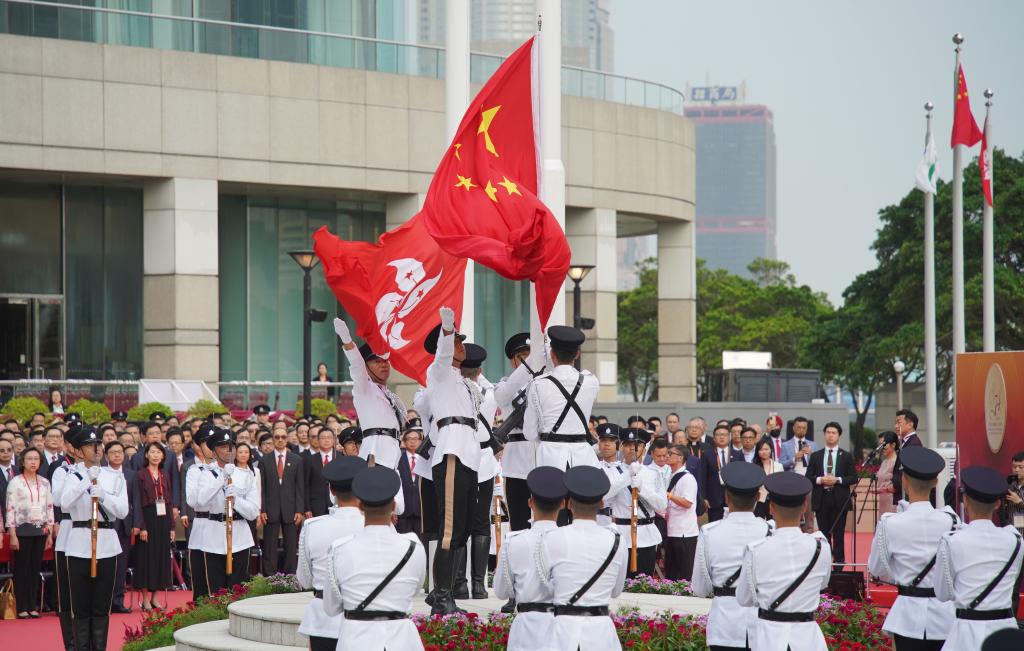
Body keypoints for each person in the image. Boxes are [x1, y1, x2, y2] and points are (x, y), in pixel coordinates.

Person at [421, 307, 487, 615]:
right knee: (449, 530)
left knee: (460, 531)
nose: (462, 345)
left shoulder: (464, 383)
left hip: (469, 458)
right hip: (451, 455)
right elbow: (444, 355)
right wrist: (447, 330)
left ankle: (442, 593)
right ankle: (443, 597)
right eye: (456, 341)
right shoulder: (439, 373)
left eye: (459, 340)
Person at [322, 466, 427, 651]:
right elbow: (415, 589)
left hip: (356, 639)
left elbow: (331, 608)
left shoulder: (340, 549)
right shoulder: (414, 546)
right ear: (394, 506)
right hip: (402, 640)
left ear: (360, 506)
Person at [867, 447, 960, 651]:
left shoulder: (890, 523)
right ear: (935, 482)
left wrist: (897, 572)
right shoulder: (951, 520)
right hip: (945, 615)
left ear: (905, 481)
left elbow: (876, 569)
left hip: (907, 615)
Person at [736, 473, 832, 651]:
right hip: (808, 640)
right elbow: (822, 584)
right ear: (804, 507)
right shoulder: (821, 547)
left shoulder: (756, 549)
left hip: (769, 639)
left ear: (771, 508)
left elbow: (744, 599)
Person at [935, 465, 1023, 650]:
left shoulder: (952, 541)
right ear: (998, 504)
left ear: (965, 501)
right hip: (1005, 633)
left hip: (966, 633)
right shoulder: (1016, 540)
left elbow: (942, 594)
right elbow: (1011, 580)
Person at [541, 466, 628, 651]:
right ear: (602, 503)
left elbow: (545, 586)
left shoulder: (551, 538)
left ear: (569, 503)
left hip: (563, 633)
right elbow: (616, 591)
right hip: (601, 635)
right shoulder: (617, 540)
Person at [60, 426, 129, 651]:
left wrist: (103, 495)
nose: (96, 449)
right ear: (79, 451)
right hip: (79, 542)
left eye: (98, 445)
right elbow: (65, 503)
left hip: (107, 542)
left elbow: (122, 511)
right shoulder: (71, 475)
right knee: (80, 606)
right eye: (90, 446)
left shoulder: (115, 476)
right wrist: (85, 482)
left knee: (101, 606)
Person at [692, 462, 772, 651]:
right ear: (759, 497)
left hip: (724, 627)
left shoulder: (710, 532)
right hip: (763, 626)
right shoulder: (770, 531)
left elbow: (700, 588)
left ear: (726, 497)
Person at [297, 457, 367, 651]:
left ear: (332, 490)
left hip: (323, 619)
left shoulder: (313, 526)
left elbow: (305, 579)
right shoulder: (376, 526)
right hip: (365, 619)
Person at [493, 466, 564, 650]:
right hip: (563, 628)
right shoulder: (571, 541)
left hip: (525, 629)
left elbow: (501, 591)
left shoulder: (512, 542)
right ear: (563, 503)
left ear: (530, 503)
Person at [524, 325, 601, 473]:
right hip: (583, 457)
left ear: (552, 353)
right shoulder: (591, 382)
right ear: (577, 354)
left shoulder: (538, 384)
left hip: (549, 458)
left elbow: (530, 433)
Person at [333, 319, 407, 468]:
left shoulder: (389, 394)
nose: (383, 364)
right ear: (366, 367)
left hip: (393, 454)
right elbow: (356, 364)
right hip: (375, 455)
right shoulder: (364, 388)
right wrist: (347, 342)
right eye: (376, 361)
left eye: (385, 361)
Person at [493, 332, 545, 532]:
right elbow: (503, 397)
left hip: (542, 455)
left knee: (546, 520)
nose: (526, 361)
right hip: (516, 461)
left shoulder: (547, 383)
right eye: (521, 357)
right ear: (513, 362)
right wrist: (531, 365)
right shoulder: (504, 386)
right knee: (519, 522)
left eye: (529, 355)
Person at [197, 428, 259, 592]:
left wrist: (236, 500)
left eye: (230, 446)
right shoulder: (206, 474)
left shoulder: (246, 475)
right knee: (216, 590)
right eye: (223, 446)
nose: (228, 450)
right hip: (214, 536)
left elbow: (253, 512)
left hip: (240, 536)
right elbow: (201, 500)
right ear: (214, 451)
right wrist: (222, 480)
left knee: (238, 590)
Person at [605, 427, 665, 578]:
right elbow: (604, 497)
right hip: (621, 532)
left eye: (638, 444)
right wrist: (627, 476)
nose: (632, 448)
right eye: (628, 444)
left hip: (646, 533)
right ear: (621, 447)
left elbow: (662, 506)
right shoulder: (611, 471)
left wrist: (643, 489)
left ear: (644, 449)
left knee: (643, 584)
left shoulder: (653, 473)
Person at [5, 447, 53, 618]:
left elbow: (49, 508)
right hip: (21, 530)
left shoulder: (45, 482)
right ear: (22, 461)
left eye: (36, 459)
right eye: (29, 458)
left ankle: (33, 605)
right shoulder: (16, 482)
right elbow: (10, 509)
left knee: (34, 568)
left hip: (40, 529)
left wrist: (49, 533)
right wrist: (12, 534)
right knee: (22, 569)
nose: (33, 462)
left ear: (40, 462)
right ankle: (21, 606)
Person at [806, 422, 857, 567]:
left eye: (833, 432)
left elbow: (853, 477)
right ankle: (824, 561)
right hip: (821, 497)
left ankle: (839, 562)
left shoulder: (846, 456)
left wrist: (837, 480)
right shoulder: (816, 456)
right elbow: (808, 477)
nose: (830, 435)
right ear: (824, 435)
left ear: (839, 436)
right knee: (824, 532)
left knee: (839, 533)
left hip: (839, 498)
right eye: (828, 432)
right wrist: (820, 480)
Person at [132, 441, 176, 609]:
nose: (156, 455)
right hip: (148, 518)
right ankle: (144, 598)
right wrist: (142, 526)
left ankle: (155, 597)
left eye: (159, 452)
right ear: (146, 455)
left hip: (163, 518)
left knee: (161, 558)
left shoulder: (165, 474)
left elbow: (170, 501)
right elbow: (137, 502)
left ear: (163, 455)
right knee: (146, 558)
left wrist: (172, 526)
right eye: (153, 452)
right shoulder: (141, 475)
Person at [258, 424, 306, 575]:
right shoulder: (264, 460)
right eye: (277, 437)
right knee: (269, 546)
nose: (280, 440)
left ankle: (290, 577)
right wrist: (263, 509)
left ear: (287, 439)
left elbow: (300, 487)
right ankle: (269, 578)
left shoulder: (296, 460)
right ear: (273, 439)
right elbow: (262, 488)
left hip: (290, 509)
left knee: (291, 546)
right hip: (270, 509)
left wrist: (299, 510)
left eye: (283, 437)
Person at [185, 425, 214, 600]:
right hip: (202, 524)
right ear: (197, 447)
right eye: (205, 444)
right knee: (201, 578)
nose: (210, 448)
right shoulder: (194, 471)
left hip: (223, 526)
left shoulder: (229, 469)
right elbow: (193, 501)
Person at [106, 441, 134, 613]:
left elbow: (135, 501)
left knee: (121, 564)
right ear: (106, 455)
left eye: (120, 452)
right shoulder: (102, 474)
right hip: (107, 524)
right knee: (107, 563)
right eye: (113, 452)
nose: (117, 455)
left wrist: (137, 524)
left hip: (124, 525)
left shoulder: (130, 475)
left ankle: (118, 600)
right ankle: (106, 600)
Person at [663, 444, 699, 580]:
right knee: (671, 572)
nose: (667, 456)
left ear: (680, 458)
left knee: (684, 573)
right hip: (672, 530)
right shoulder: (670, 475)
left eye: (670, 453)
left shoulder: (687, 478)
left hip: (685, 533)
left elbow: (687, 502)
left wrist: (669, 495)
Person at [701, 424, 744, 522]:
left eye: (724, 434)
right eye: (718, 435)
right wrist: (704, 497)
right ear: (714, 438)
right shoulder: (707, 454)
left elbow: (742, 477)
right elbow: (703, 477)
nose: (721, 437)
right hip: (714, 499)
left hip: (734, 499)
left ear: (729, 437)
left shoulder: (738, 454)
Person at [395, 422, 423, 536]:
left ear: (421, 441)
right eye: (409, 439)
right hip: (403, 513)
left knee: (422, 543)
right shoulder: (397, 458)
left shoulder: (425, 459)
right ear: (404, 441)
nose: (412, 441)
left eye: (416, 439)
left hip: (420, 511)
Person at [305, 428, 337, 518]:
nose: (326, 440)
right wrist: (307, 508)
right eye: (323, 438)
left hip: (337, 503)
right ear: (318, 440)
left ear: (334, 440)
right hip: (317, 505)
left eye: (329, 438)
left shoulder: (340, 457)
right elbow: (306, 485)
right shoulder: (310, 460)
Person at [595, 423, 623, 528]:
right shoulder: (593, 468)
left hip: (619, 522)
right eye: (603, 440)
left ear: (619, 445)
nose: (606, 444)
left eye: (611, 441)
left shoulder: (625, 470)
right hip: (596, 521)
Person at [892, 409, 923, 503]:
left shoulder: (913, 444)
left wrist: (894, 485)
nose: (896, 426)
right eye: (895, 423)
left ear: (910, 424)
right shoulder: (905, 443)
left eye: (899, 422)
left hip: (908, 496)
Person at [234, 442, 260, 548]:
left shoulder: (255, 471)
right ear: (235, 454)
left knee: (249, 543)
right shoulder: (231, 470)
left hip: (250, 510)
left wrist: (258, 512)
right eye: (240, 452)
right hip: (236, 510)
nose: (243, 454)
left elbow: (258, 491)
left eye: (246, 452)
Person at [753, 437, 784, 520]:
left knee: (773, 524)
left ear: (771, 450)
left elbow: (781, 484)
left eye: (766, 449)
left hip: (774, 500)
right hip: (759, 500)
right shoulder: (754, 466)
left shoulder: (778, 466)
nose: (764, 452)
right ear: (757, 452)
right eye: (761, 450)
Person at [874, 431, 900, 516]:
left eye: (884, 445)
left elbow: (897, 485)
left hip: (892, 502)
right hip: (882, 501)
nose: (881, 447)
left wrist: (883, 489)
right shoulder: (884, 462)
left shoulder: (897, 462)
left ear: (893, 445)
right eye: (880, 445)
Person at [999, 450, 1024, 537]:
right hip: (1011, 534)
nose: (1016, 470)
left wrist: (1020, 502)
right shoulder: (1009, 487)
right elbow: (1001, 510)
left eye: (1021, 467)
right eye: (1014, 466)